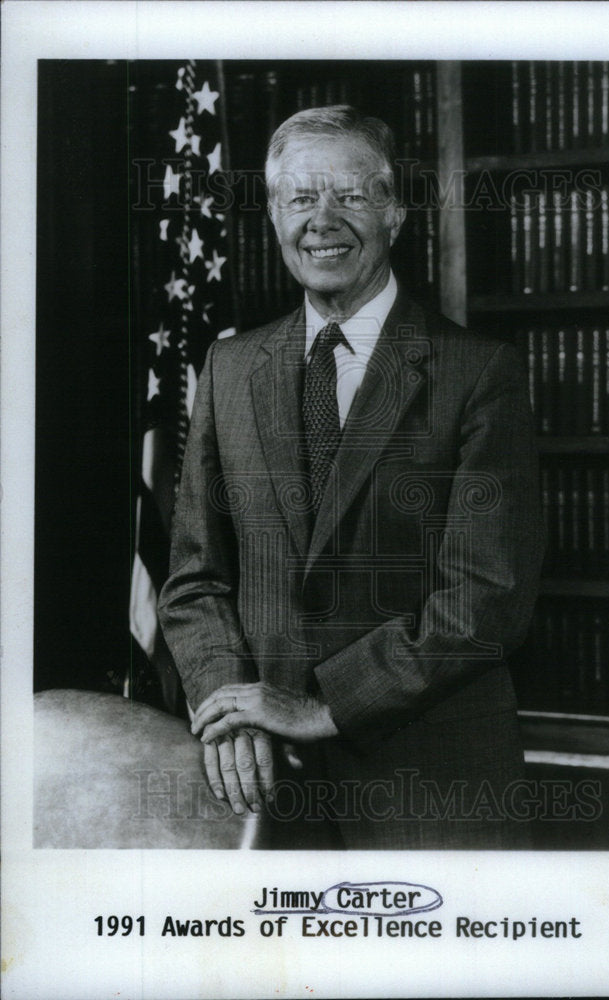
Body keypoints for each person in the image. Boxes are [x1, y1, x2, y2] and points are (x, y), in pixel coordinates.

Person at [158, 105, 545, 849]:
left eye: (351, 195)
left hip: (432, 787)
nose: (322, 220)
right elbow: (193, 578)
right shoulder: (231, 368)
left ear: (395, 211)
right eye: (301, 198)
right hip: (261, 789)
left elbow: (487, 596)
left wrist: (321, 706)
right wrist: (225, 704)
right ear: (274, 216)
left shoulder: (478, 372)